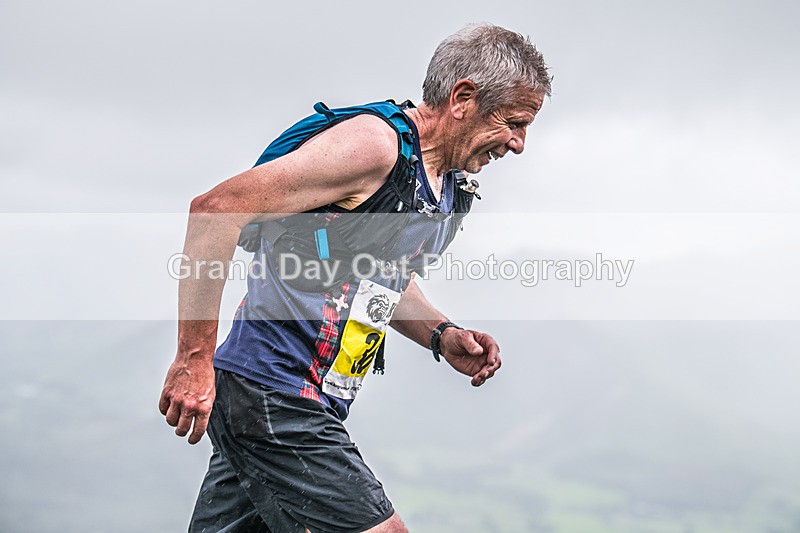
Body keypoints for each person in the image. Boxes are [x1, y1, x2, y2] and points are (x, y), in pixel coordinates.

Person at [159, 23, 551, 533]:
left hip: (296, 402)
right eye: (514, 122)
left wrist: (440, 333)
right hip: (273, 393)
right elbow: (214, 213)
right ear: (463, 97)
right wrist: (193, 358)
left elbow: (379, 277)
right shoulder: (375, 146)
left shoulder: (448, 188)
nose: (519, 144)